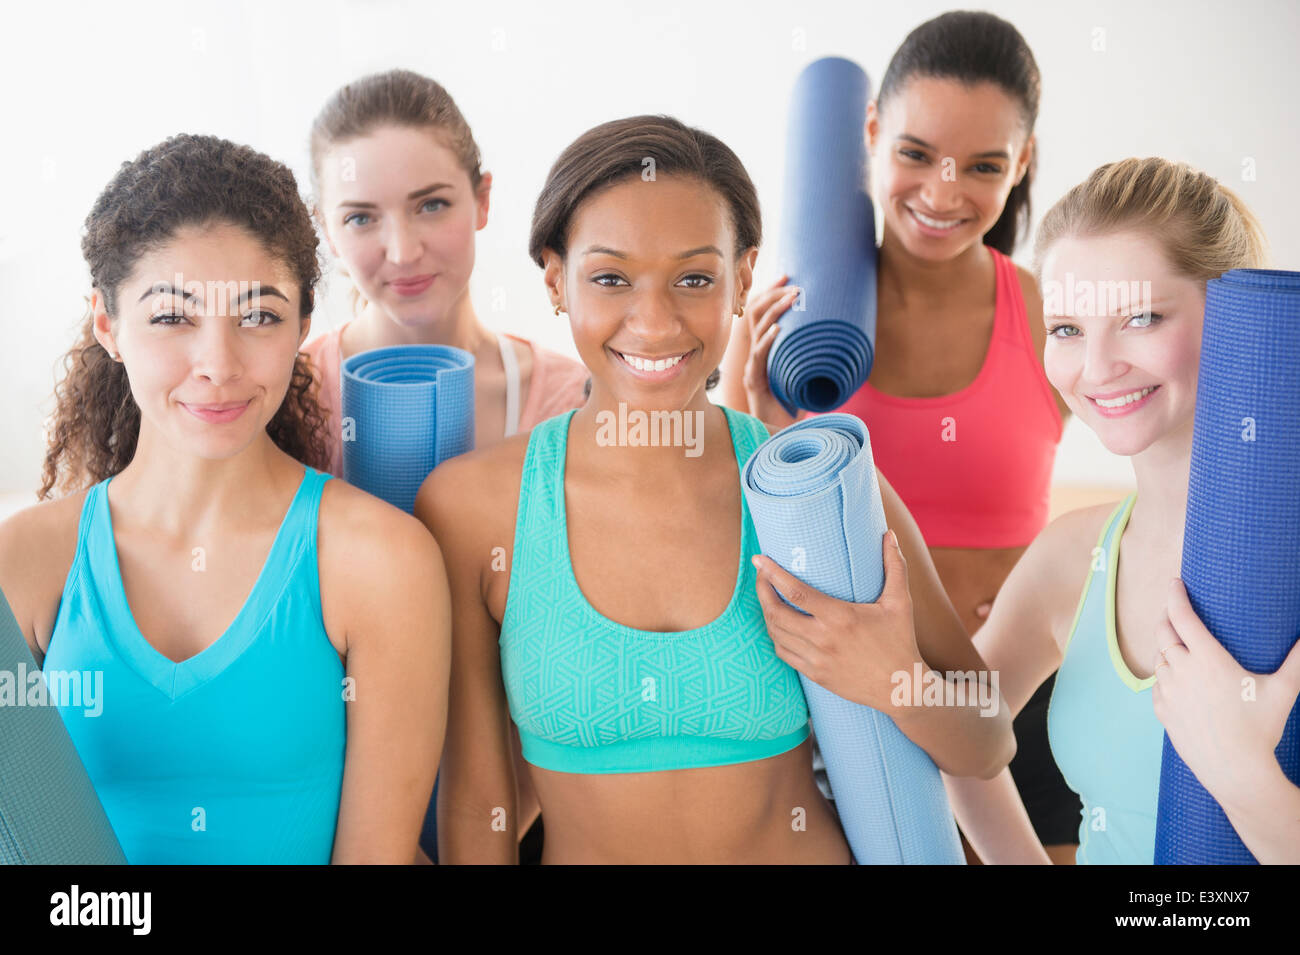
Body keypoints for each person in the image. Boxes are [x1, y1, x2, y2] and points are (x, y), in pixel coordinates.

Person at [424, 114, 1015, 864]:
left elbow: (991, 734)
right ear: (554, 280)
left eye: (694, 278)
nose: (655, 320)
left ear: (741, 280)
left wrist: (894, 679)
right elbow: (480, 804)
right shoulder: (475, 509)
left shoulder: (816, 492)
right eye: (609, 278)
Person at [0, 134, 449, 864]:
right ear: (108, 324)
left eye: (259, 316)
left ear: (304, 324)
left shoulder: (381, 561)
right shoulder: (26, 559)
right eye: (173, 316)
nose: (218, 365)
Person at [719, 11, 1078, 862]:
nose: (944, 193)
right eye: (916, 153)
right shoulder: (791, 330)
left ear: (1020, 164)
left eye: (984, 166)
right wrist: (752, 425)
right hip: (844, 711)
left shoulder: (1050, 314)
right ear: (871, 131)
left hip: (1010, 713)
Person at [940, 156, 1300, 863]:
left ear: (1231, 317)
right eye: (1067, 327)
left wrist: (1241, 772)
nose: (1097, 367)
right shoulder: (1072, 558)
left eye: (1140, 317)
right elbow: (956, 735)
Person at [304, 70, 589, 853]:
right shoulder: (279, 401)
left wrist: (481, 828)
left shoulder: (568, 400)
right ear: (325, 230)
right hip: (328, 822)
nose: (403, 251)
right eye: (361, 217)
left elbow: (576, 652)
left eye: (433, 204)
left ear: (484, 199)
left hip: (519, 808)